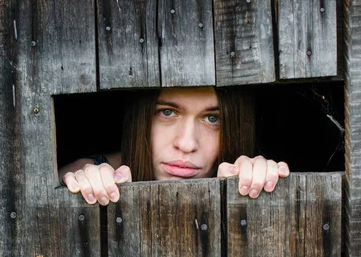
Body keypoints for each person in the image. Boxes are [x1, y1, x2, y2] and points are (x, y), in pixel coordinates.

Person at [58, 86, 289, 204]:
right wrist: (86, 179)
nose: (187, 144)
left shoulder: (242, 168)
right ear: (140, 119)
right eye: (167, 112)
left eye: (212, 118)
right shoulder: (98, 167)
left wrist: (258, 177)